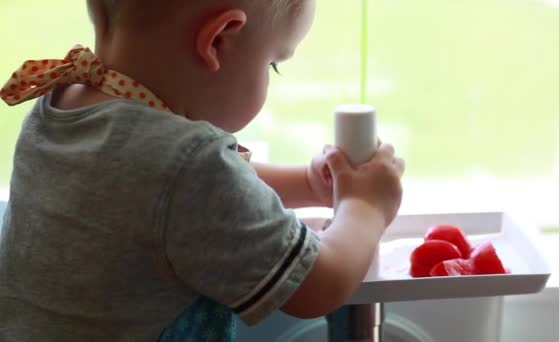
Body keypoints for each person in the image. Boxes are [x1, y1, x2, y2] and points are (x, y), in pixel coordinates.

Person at [0, 0, 405, 340]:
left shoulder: (60, 106)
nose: (269, 76)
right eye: (273, 64)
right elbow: (318, 285)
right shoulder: (189, 167)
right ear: (218, 40)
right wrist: (366, 205)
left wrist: (306, 184)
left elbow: (173, 200)